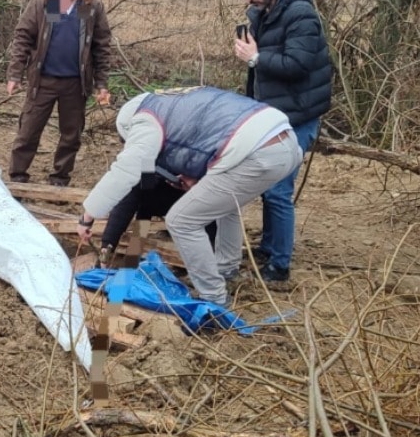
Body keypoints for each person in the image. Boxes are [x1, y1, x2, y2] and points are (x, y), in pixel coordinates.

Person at [76, 87, 302, 307]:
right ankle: (227, 270)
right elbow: (209, 137)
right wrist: (108, 244)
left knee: (181, 220)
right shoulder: (172, 103)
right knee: (226, 204)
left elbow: (125, 171)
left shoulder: (145, 122)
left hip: (257, 152)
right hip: (284, 139)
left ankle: (213, 297)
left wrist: (88, 215)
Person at [232, 0, 333, 283]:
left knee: (278, 190)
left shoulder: (301, 14)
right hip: (270, 113)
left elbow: (298, 63)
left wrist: (257, 58)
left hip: (297, 115)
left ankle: (279, 267)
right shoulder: (263, 12)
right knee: (267, 186)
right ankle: (270, 246)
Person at [6, 0, 112, 186]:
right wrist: (15, 74)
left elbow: (101, 45)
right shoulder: (45, 2)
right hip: (42, 80)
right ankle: (18, 177)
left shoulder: (89, 6)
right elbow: (23, 37)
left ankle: (60, 178)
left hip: (75, 83)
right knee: (29, 131)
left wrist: (101, 83)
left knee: (71, 135)